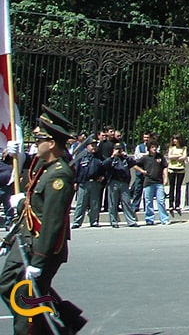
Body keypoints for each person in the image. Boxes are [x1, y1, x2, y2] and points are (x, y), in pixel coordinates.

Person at [1, 106, 88, 335]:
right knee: (8, 285)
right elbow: (32, 197)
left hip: (41, 246)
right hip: (26, 239)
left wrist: (39, 261)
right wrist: (13, 155)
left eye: (39, 140)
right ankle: (64, 320)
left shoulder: (59, 175)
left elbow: (52, 222)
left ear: (51, 144)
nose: (35, 144)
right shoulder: (44, 165)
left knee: (25, 299)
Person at [100, 142, 139, 228]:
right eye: (117, 149)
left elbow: (133, 163)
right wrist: (112, 156)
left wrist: (126, 156)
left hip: (124, 182)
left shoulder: (125, 159)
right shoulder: (111, 159)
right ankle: (114, 221)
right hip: (113, 182)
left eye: (120, 149)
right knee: (113, 203)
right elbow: (104, 165)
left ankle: (131, 221)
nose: (119, 151)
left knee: (127, 202)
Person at [134, 139, 169, 226]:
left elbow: (165, 167)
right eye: (152, 147)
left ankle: (164, 219)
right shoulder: (145, 158)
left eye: (155, 147)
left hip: (159, 182)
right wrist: (142, 171)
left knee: (161, 201)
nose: (154, 149)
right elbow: (134, 165)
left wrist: (165, 178)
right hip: (148, 182)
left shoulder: (160, 157)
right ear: (149, 148)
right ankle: (149, 219)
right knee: (148, 202)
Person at [70, 140, 102, 229]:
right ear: (87, 146)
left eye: (95, 145)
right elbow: (76, 170)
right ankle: (77, 222)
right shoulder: (82, 156)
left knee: (94, 203)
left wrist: (103, 176)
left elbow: (104, 167)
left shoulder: (99, 157)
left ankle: (94, 221)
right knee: (81, 203)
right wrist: (75, 182)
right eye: (92, 145)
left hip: (95, 183)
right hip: (83, 183)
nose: (94, 147)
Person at [166, 136, 187, 217]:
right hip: (171, 169)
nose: (175, 141)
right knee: (171, 187)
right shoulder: (171, 148)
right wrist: (178, 156)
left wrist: (175, 157)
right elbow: (169, 156)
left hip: (180, 169)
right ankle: (171, 205)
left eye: (176, 139)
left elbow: (184, 157)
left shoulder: (184, 148)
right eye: (174, 139)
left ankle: (177, 205)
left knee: (178, 187)